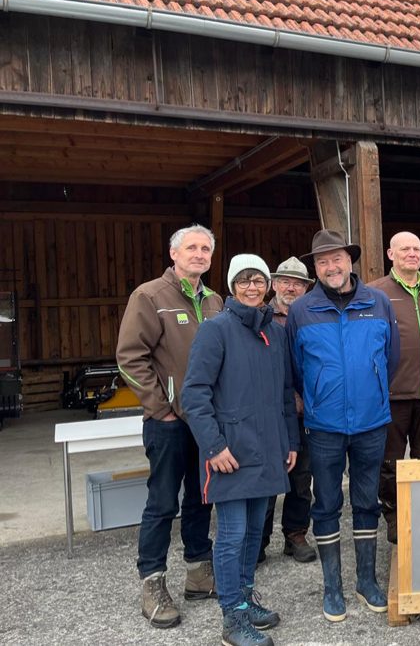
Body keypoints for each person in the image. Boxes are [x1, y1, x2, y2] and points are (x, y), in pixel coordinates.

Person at [182, 254, 299, 646]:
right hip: (230, 453)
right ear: (232, 286)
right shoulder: (215, 330)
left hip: (267, 449)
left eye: (259, 280)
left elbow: (285, 393)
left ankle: (245, 600)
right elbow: (193, 394)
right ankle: (231, 615)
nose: (253, 287)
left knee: (253, 533)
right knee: (232, 535)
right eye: (244, 280)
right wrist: (213, 446)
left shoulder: (275, 333)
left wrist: (290, 441)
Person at [286, 229, 399, 621]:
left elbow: (390, 358)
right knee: (327, 502)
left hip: (371, 423)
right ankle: (332, 587)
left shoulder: (378, 302)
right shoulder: (302, 311)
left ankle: (365, 581)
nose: (331, 267)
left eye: (337, 259)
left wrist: (373, 390)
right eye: (322, 261)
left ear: (349, 261)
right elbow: (296, 371)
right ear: (315, 268)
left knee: (366, 501)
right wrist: (318, 395)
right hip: (325, 426)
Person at [116, 223, 222, 628]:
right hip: (169, 423)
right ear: (174, 254)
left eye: (205, 249)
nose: (199, 254)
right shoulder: (149, 296)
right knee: (162, 503)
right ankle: (153, 582)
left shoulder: (215, 301)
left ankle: (198, 573)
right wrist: (160, 408)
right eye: (191, 248)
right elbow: (130, 357)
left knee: (201, 498)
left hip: (205, 421)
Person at [368, 232, 420, 544]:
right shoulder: (375, 293)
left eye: (417, 248)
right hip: (393, 395)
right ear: (391, 254)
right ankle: (393, 515)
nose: (412, 254)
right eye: (405, 249)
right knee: (391, 462)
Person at [259, 257, 316, 564]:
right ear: (274, 285)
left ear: (306, 288)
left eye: (297, 283)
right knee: (267, 475)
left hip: (306, 411)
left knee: (302, 476)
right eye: (284, 281)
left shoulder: (312, 316)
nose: (290, 287)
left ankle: (295, 534)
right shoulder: (261, 317)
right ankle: (259, 538)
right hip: (270, 412)